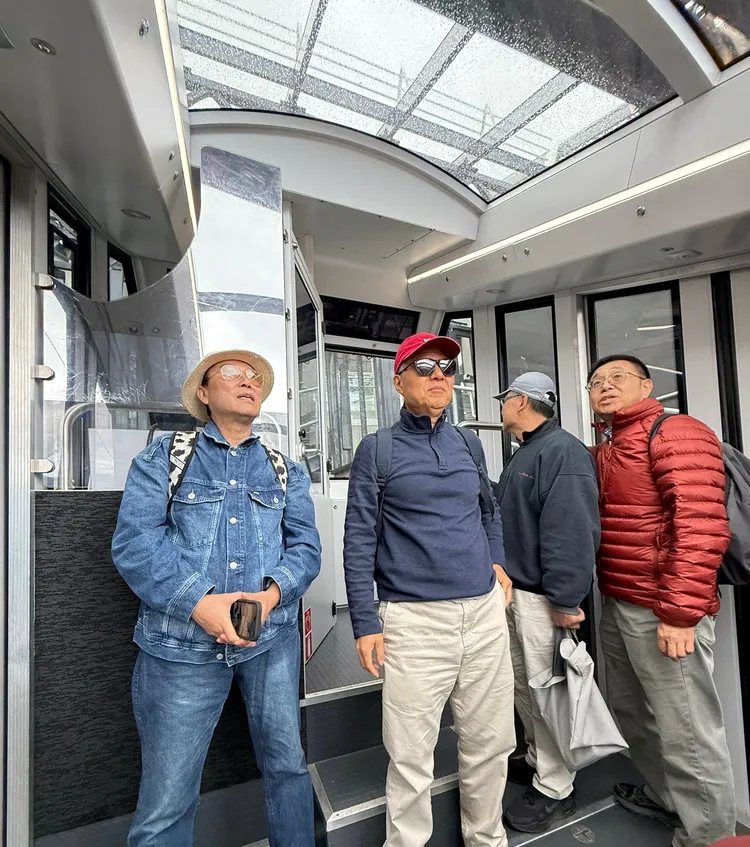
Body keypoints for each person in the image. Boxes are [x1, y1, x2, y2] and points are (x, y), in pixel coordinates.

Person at [112, 349, 321, 847]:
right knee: (167, 799)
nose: (247, 381)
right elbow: (135, 544)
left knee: (289, 767)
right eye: (231, 373)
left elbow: (306, 548)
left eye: (254, 376)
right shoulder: (163, 458)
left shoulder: (286, 470)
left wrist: (271, 596)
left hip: (270, 642)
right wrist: (199, 604)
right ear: (203, 393)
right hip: (180, 648)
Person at [343, 332, 516, 847]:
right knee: (411, 755)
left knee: (491, 743)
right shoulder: (377, 449)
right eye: (424, 367)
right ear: (399, 381)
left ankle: (487, 839)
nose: (438, 375)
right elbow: (359, 537)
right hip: (414, 621)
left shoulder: (468, 442)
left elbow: (488, 510)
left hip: (484, 614)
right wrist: (364, 621)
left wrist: (497, 562)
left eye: (446, 367)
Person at [587, 353, 735, 847]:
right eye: (596, 381)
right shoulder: (609, 446)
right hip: (619, 601)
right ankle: (668, 799)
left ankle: (709, 836)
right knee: (631, 711)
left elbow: (700, 526)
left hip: (663, 609)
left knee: (687, 730)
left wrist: (679, 613)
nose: (605, 386)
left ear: (647, 386)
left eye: (617, 377)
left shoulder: (676, 431)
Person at [493, 372, 600, 834]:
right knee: (525, 688)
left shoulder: (562, 452)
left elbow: (570, 531)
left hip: (543, 600)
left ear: (521, 402)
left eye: (504, 399)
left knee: (549, 692)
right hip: (516, 594)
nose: (500, 407)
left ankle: (556, 786)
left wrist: (565, 598)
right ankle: (540, 759)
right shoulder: (526, 451)